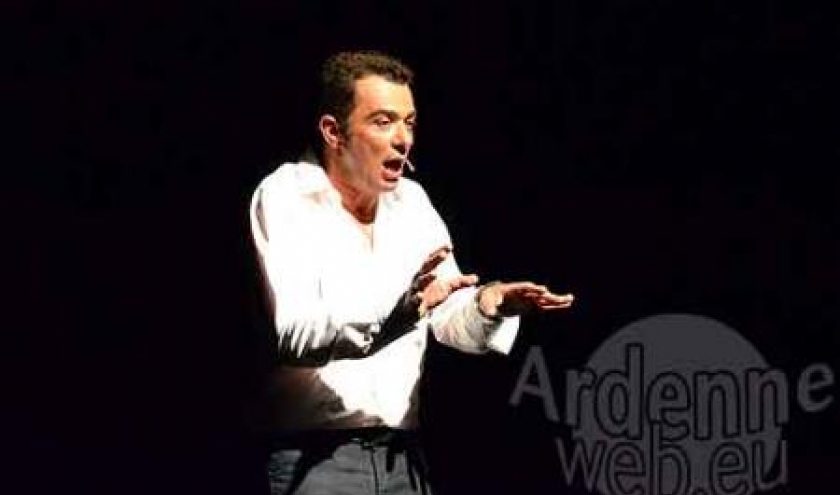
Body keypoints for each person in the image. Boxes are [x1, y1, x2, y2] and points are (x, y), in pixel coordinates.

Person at [248, 50, 574, 495]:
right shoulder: (287, 195)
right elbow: (295, 334)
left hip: (403, 459)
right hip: (317, 461)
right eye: (383, 122)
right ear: (333, 131)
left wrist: (488, 304)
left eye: (410, 122)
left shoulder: (412, 204)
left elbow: (447, 320)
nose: (403, 139)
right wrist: (395, 315)